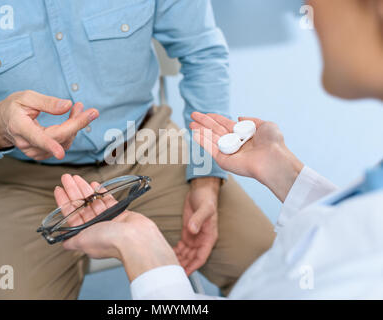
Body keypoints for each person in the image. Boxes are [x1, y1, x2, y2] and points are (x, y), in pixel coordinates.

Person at [0, 1, 275, 298]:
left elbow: (202, 53)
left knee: (273, 267)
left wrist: (205, 175)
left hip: (150, 149)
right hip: (28, 182)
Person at [54, 0, 383, 299]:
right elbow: (359, 232)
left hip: (148, 147)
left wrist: (144, 251)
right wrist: (286, 175)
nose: (308, 6)